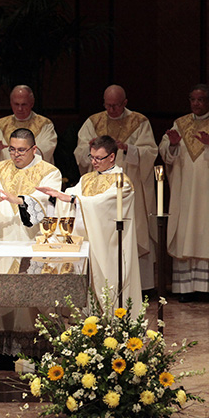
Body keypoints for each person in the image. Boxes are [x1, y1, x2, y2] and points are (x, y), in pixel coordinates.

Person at [0, 128, 61, 371]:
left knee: (34, 299)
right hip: (3, 240)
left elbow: (48, 202)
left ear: (34, 149)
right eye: (11, 149)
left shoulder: (49, 172)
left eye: (21, 150)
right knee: (4, 297)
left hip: (33, 242)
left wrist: (21, 201)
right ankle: (5, 354)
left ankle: (41, 353)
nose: (15, 155)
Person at [39, 135, 142, 316]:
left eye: (98, 158)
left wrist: (72, 199)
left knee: (108, 287)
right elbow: (73, 196)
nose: (94, 162)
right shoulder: (87, 179)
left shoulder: (122, 182)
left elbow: (102, 203)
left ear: (111, 157)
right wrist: (59, 196)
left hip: (109, 246)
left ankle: (114, 323)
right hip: (87, 243)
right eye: (91, 157)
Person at [74, 84, 158, 292]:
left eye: (116, 106)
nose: (111, 110)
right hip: (98, 187)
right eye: (108, 105)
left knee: (133, 230)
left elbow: (150, 152)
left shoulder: (139, 122)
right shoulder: (93, 122)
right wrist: (90, 148)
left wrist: (128, 148)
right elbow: (80, 152)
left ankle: (139, 286)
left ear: (125, 103)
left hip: (128, 184)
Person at [158, 84, 209, 302]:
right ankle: (185, 289)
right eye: (192, 99)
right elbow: (165, 153)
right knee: (186, 232)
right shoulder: (180, 124)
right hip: (185, 191)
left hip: (206, 191)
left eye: (200, 99)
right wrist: (173, 145)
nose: (196, 103)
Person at [0, 85, 57, 169]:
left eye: (24, 104)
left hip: (34, 174)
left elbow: (46, 148)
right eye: (16, 104)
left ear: (31, 103)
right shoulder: (1, 125)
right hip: (8, 175)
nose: (20, 109)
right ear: (11, 103)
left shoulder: (44, 124)